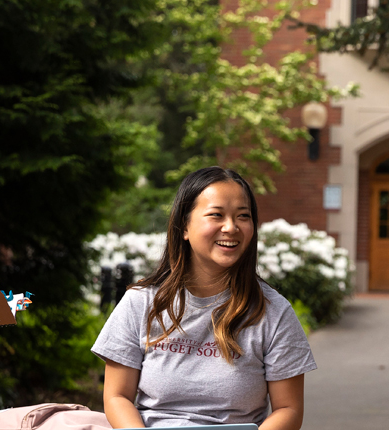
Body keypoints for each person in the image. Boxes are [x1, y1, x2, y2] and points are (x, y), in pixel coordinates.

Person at [92, 167, 315, 430]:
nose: (231, 227)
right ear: (184, 226)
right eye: (216, 215)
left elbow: (288, 409)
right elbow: (117, 396)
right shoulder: (141, 302)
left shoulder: (274, 312)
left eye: (243, 216)